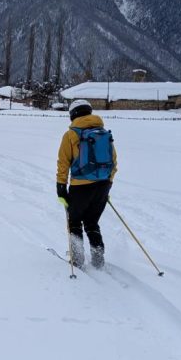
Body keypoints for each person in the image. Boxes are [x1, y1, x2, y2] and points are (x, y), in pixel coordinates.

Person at [56, 99, 117, 269]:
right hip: (103, 185)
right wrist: (108, 183)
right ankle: (98, 258)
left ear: (72, 114)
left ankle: (77, 260)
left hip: (80, 187)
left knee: (75, 221)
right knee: (92, 222)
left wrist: (61, 187)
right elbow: (113, 161)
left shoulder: (70, 135)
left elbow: (63, 163)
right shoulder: (104, 133)